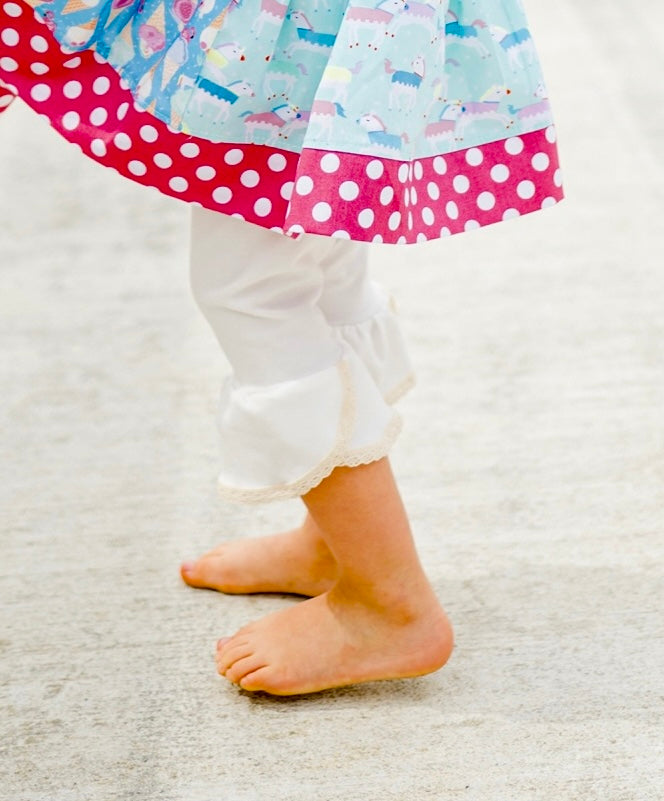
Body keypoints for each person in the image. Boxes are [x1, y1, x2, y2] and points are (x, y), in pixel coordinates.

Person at [0, 0, 563, 695]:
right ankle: (335, 543)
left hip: (301, 29)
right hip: (328, 33)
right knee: (310, 246)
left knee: (252, 287)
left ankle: (388, 605)